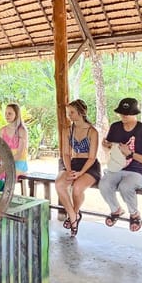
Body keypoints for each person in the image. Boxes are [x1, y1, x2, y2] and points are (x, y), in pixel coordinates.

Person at [98, 97, 142, 233]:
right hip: (116, 168)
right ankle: (116, 209)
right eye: (122, 112)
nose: (124, 115)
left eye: (128, 112)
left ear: (135, 113)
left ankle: (134, 214)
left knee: (126, 186)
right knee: (104, 184)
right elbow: (110, 149)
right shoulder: (115, 127)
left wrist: (131, 154)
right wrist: (105, 145)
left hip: (138, 171)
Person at [55, 99, 101, 237]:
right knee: (59, 184)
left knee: (77, 188)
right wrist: (69, 170)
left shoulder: (92, 131)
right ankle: (73, 216)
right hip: (73, 162)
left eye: (72, 112)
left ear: (82, 112)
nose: (69, 115)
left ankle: (74, 213)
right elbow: (66, 153)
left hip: (89, 165)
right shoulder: (67, 130)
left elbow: (92, 157)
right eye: (68, 112)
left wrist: (81, 173)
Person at [0, 103, 29, 176]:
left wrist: (6, 163)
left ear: (16, 114)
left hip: (19, 162)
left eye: (10, 113)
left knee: (5, 174)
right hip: (6, 161)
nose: (7, 115)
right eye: (6, 113)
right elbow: (0, 148)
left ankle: (5, 187)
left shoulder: (22, 130)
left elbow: (19, 153)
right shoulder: (2, 130)